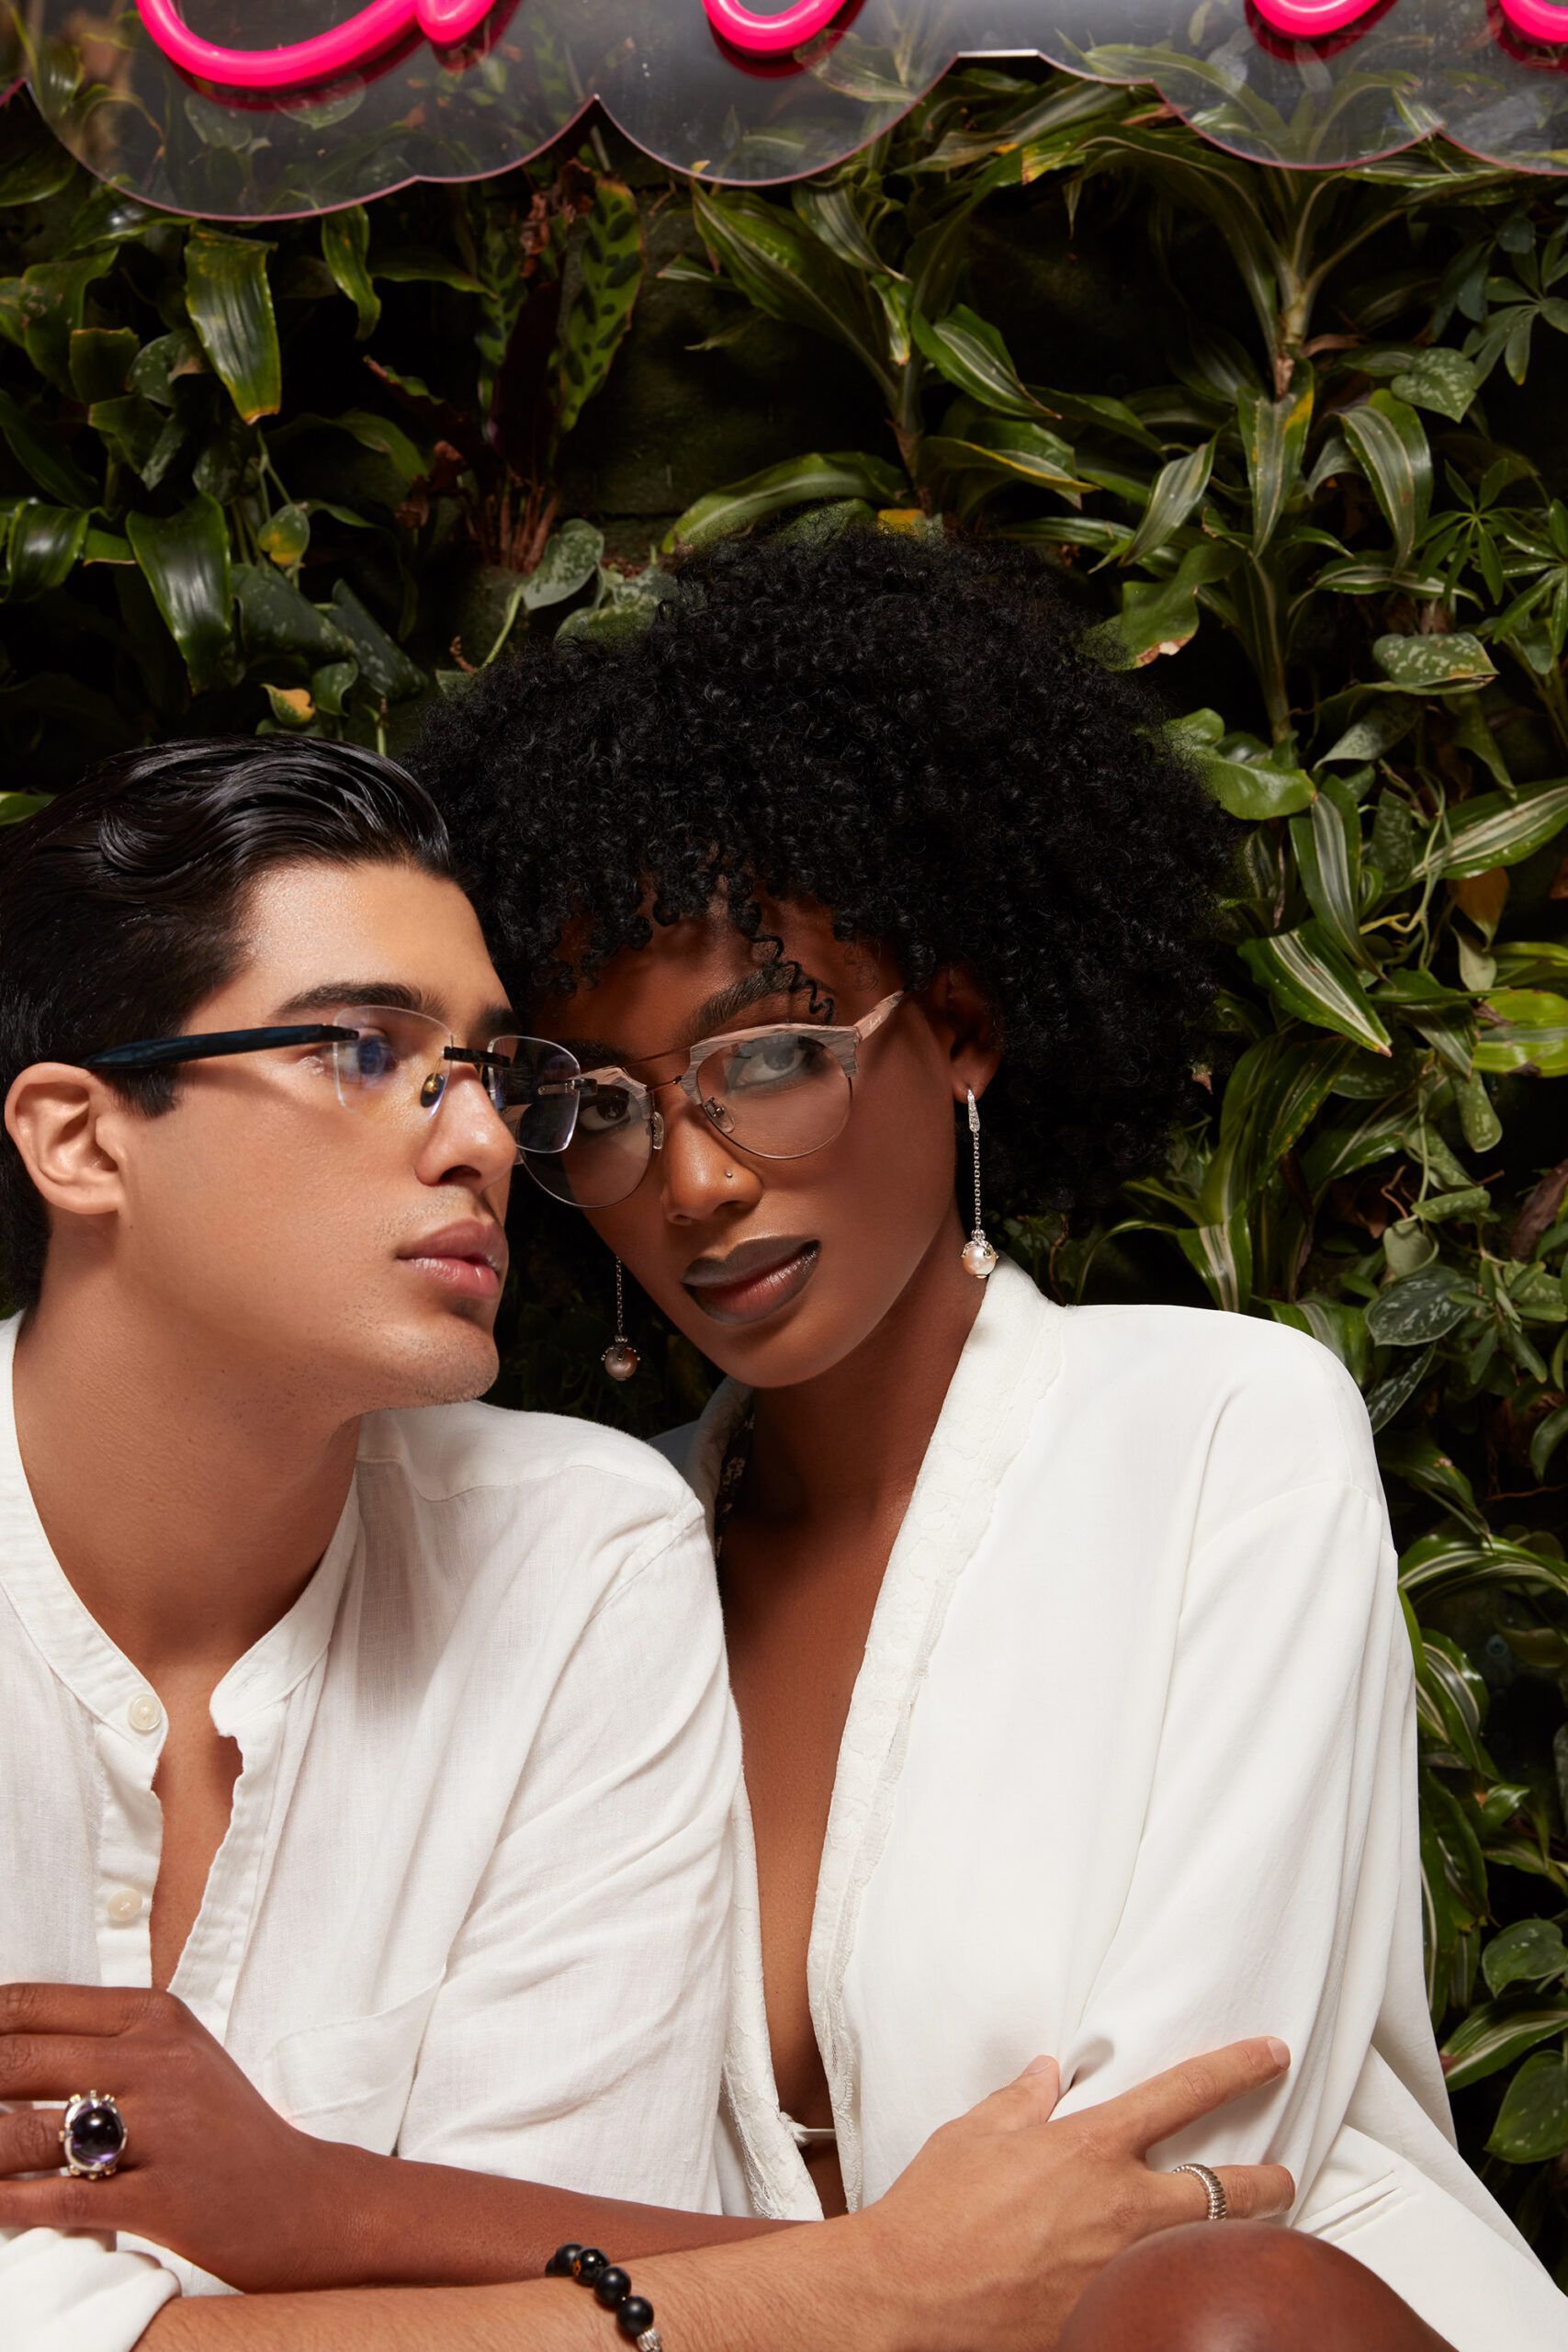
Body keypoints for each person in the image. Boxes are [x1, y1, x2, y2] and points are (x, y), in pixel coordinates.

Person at [413, 524, 1568, 2351]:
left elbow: (1162, 2183)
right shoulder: (599, 1576)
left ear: (955, 1028)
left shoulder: (1214, 1434)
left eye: (771, 1056)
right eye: (610, 1108)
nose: (694, 1180)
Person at [0, 736, 1300, 2352]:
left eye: (486, 1070)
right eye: (359, 1048)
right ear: (81, 1141)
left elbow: (606, 2312)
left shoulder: (579, 1556)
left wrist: (305, 2211)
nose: (481, 1141)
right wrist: (886, 2283)